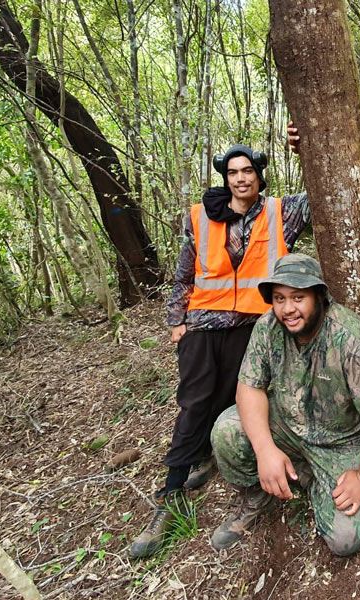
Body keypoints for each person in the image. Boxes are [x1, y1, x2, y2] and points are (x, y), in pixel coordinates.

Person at [129, 145, 310, 559]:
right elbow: (184, 271)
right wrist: (177, 320)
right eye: (233, 172)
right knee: (194, 402)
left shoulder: (281, 212)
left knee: (238, 402)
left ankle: (231, 469)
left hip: (255, 327)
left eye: (248, 171)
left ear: (259, 176)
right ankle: (171, 493)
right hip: (203, 325)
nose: (241, 178)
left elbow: (324, 192)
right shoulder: (200, 216)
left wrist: (304, 149)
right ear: (224, 177)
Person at [208, 254, 360, 557]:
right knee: (227, 431)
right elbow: (249, 388)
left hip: (340, 441)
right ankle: (259, 496)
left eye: (298, 297)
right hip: (286, 422)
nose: (288, 309)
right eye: (279, 298)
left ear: (319, 297)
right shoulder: (268, 327)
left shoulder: (348, 337)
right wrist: (265, 450)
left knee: (346, 538)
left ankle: (310, 478)